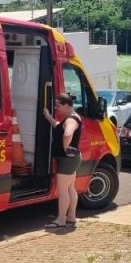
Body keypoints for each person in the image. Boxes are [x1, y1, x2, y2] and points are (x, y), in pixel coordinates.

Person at [42, 93, 82, 229]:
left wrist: (66, 148)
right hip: (72, 159)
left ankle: (61, 219)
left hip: (67, 160)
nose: (56, 108)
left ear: (66, 105)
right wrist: (48, 117)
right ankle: (71, 216)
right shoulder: (71, 117)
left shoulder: (71, 120)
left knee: (63, 190)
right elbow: (60, 127)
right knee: (70, 188)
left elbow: (67, 133)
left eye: (58, 105)